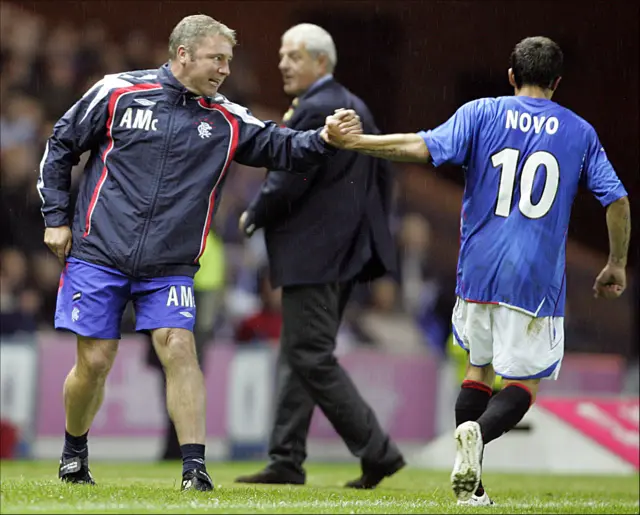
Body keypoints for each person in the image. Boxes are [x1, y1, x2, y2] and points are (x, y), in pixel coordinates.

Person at [38, 14, 360, 492]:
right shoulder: (116, 92)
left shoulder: (226, 117)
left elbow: (282, 146)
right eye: (217, 58)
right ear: (182, 54)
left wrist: (325, 138)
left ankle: (194, 469)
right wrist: (56, 218)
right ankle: (74, 451)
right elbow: (61, 145)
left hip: (169, 266)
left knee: (180, 348)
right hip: (98, 252)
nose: (225, 70)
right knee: (96, 362)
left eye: (228, 61)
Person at [323, 36, 631, 504]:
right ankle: (478, 437)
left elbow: (419, 147)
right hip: (533, 278)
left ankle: (472, 488)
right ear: (558, 82)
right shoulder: (579, 131)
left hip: (476, 269)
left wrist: (357, 142)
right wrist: (616, 262)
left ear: (511, 75)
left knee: (478, 369)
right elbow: (617, 199)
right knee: (523, 383)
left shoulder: (481, 112)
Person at [234, 23, 405, 489]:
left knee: (309, 355)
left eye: (294, 55)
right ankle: (286, 458)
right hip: (342, 250)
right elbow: (382, 179)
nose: (283, 63)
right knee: (298, 353)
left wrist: (255, 212)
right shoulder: (356, 105)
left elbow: (289, 172)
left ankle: (377, 449)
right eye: (283, 54)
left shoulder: (319, 106)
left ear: (321, 63)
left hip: (316, 251)